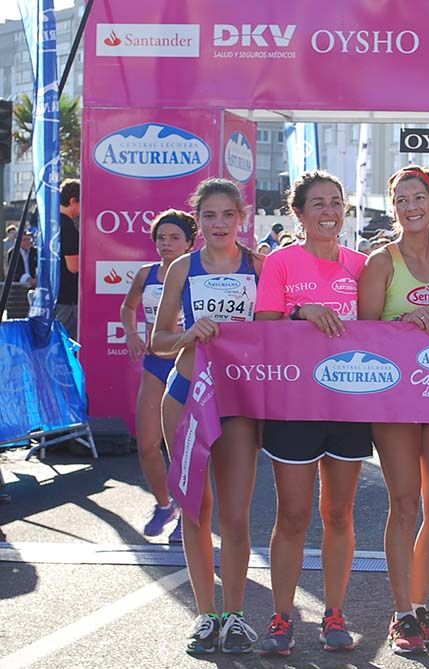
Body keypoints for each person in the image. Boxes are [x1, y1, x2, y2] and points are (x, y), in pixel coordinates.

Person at [254, 170, 369, 656]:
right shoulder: (281, 262)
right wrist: (302, 311)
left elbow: (382, 327)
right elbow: (264, 326)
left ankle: (334, 613)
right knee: (295, 515)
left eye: (336, 202)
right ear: (298, 214)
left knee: (339, 513)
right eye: (318, 203)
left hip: (349, 403)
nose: (329, 211)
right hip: (295, 404)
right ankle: (282, 618)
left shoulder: (364, 265)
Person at [151, 178, 262, 655]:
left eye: (228, 215)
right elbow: (158, 341)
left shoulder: (260, 266)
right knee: (195, 510)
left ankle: (234, 616)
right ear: (199, 221)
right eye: (210, 216)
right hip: (183, 392)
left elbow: (277, 333)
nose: (219, 224)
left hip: (237, 400)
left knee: (235, 515)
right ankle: (204, 616)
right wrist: (188, 334)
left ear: (242, 218)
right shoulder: (181, 267)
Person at [358, 166, 429, 654]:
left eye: (418, 197)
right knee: (404, 503)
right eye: (400, 200)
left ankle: (419, 604)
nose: (409, 206)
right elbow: (362, 334)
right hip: (396, 398)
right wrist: (401, 320)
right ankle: (401, 615)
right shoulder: (381, 261)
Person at [119, 210, 196, 542]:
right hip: (155, 363)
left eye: (174, 237)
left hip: (189, 363)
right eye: (161, 238)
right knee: (147, 442)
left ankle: (186, 512)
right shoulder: (146, 274)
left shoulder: (197, 273)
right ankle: (165, 505)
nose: (166, 243)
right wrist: (132, 334)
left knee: (184, 447)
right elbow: (127, 307)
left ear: (190, 242)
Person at [56, 179, 81, 338]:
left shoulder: (52, 222)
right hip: (66, 298)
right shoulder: (68, 226)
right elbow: (74, 266)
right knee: (64, 344)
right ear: (73, 201)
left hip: (54, 293)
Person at [5, 230, 38, 318]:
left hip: (31, 287)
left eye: (29, 240)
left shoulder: (33, 251)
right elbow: (15, 271)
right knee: (16, 314)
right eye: (25, 240)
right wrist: (28, 279)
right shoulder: (12, 252)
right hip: (17, 289)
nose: (28, 242)